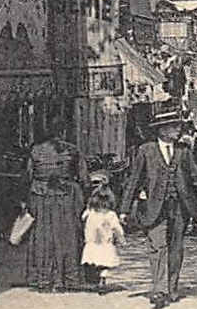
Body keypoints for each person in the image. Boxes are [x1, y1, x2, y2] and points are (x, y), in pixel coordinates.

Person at [120, 110, 197, 308]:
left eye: (178, 126)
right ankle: (159, 290)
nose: (178, 130)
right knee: (157, 246)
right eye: (173, 127)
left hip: (180, 206)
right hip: (154, 206)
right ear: (161, 130)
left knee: (176, 248)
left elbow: (195, 178)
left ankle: (172, 288)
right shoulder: (146, 150)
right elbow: (134, 180)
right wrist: (124, 209)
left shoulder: (183, 151)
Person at [24, 122, 89, 292]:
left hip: (41, 196)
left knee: (43, 236)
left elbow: (28, 175)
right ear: (63, 131)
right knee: (68, 236)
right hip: (67, 196)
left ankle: (44, 279)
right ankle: (69, 279)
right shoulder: (73, 150)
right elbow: (84, 178)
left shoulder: (36, 150)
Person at [80, 174, 125, 292]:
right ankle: (103, 278)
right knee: (105, 264)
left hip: (92, 242)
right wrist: (121, 238)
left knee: (93, 262)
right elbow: (116, 227)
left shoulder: (90, 212)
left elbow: (82, 218)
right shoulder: (111, 214)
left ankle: (94, 279)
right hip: (106, 244)